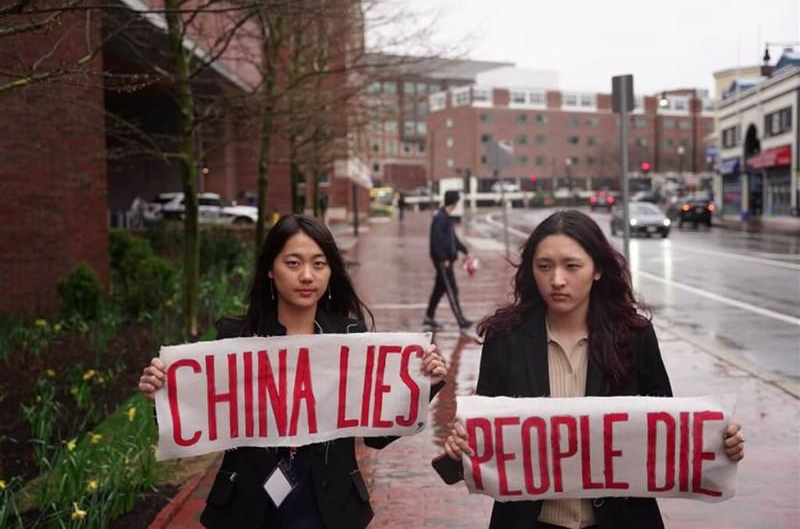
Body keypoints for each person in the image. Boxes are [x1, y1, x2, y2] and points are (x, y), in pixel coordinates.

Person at [139, 214, 446, 529]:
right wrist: (162, 392)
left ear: (330, 271)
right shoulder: (237, 337)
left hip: (328, 505)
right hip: (250, 506)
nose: (307, 276)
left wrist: (425, 384)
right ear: (271, 270)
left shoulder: (350, 335)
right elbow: (198, 418)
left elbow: (375, 437)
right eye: (293, 263)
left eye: (318, 264)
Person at [442, 209, 744, 529]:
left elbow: (669, 438)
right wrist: (457, 453)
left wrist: (720, 447)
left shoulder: (634, 336)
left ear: (597, 269)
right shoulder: (505, 339)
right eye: (544, 267)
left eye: (572, 266)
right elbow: (482, 448)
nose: (557, 280)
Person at [423, 190, 472, 331]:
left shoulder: (446, 216)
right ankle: (460, 320)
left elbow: (452, 239)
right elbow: (436, 240)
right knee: (452, 290)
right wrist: (443, 258)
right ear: (454, 202)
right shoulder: (440, 218)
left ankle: (429, 317)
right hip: (443, 261)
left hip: (446, 260)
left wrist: (464, 250)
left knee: (439, 289)